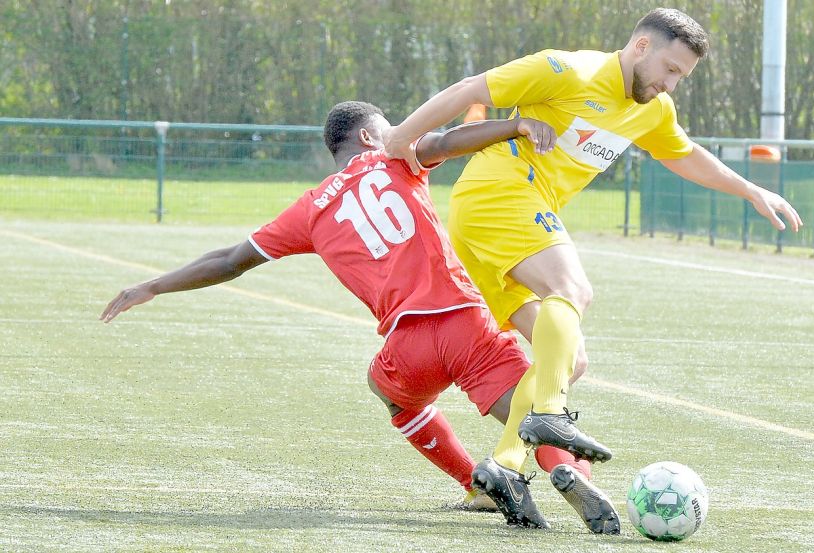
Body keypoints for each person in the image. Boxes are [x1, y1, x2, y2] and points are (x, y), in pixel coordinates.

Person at [100, 101, 620, 533]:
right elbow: (445, 141)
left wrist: (153, 284)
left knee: (388, 390)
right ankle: (577, 479)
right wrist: (515, 124)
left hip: (407, 344)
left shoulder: (311, 208)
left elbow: (231, 261)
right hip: (466, 322)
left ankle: (473, 486)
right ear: (373, 136)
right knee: (535, 416)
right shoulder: (397, 159)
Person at [384, 7, 803, 483]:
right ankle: (550, 415)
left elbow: (684, 154)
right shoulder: (568, 70)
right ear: (641, 46)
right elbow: (470, 90)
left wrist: (750, 189)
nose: (672, 84)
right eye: (670, 69)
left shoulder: (652, 109)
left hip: (497, 219)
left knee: (568, 360)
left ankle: (504, 466)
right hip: (499, 191)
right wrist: (401, 137)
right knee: (573, 289)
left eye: (681, 77)